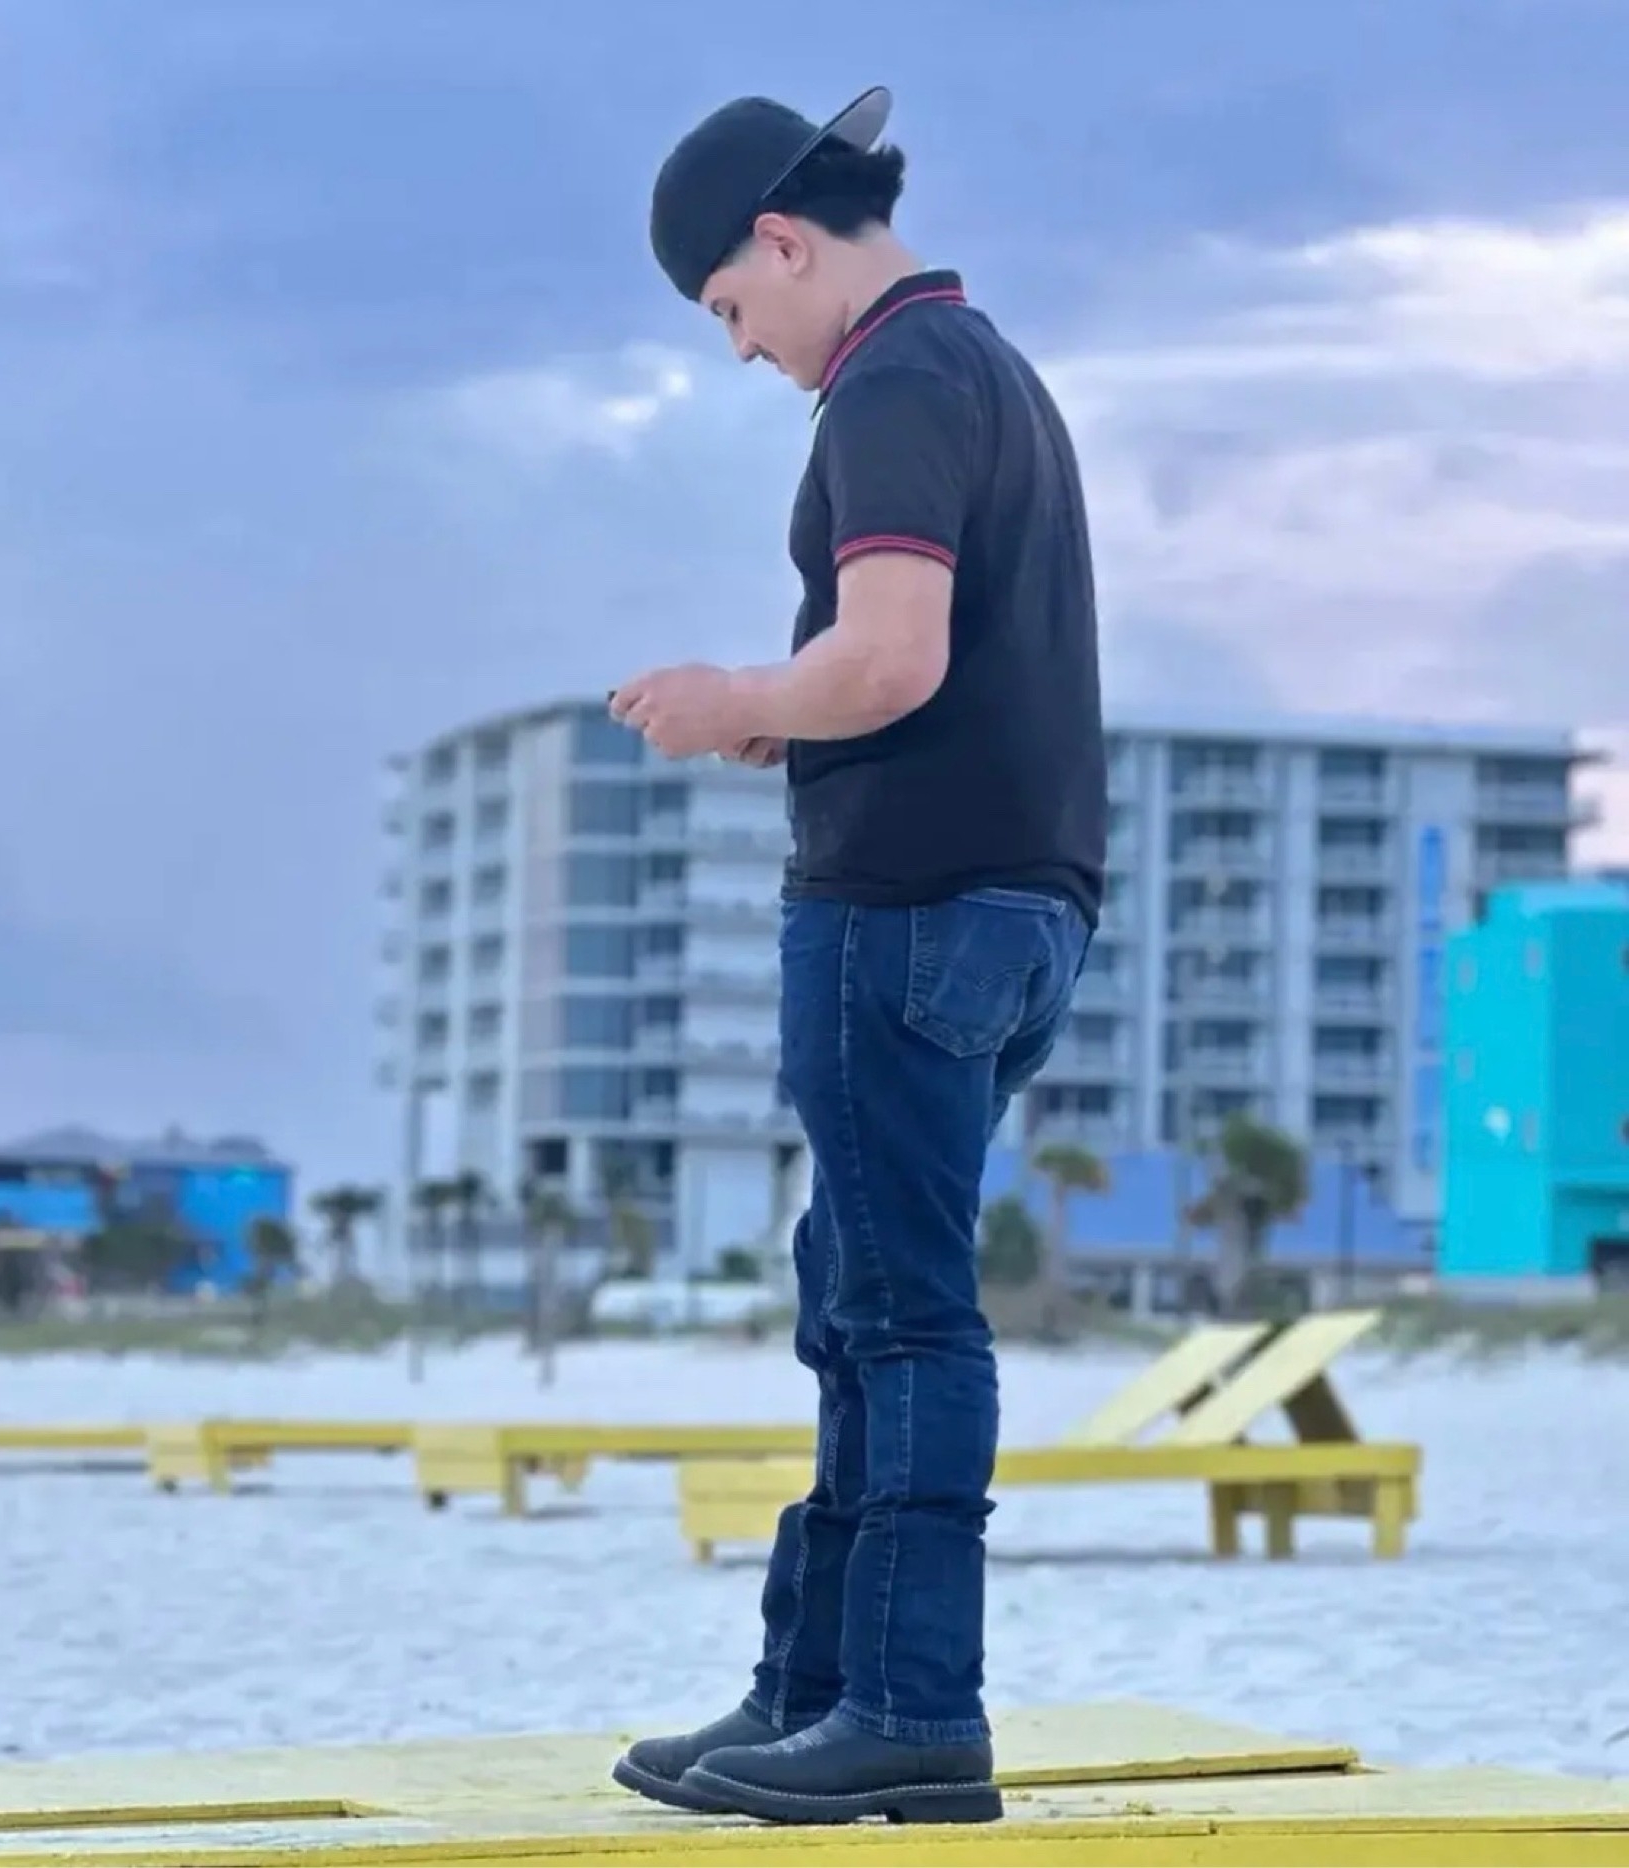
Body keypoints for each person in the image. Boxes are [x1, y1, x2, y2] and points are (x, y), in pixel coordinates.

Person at [606, 85, 1107, 1827]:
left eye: (730, 308)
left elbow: (890, 657)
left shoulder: (893, 381)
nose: (742, 349)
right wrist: (789, 718)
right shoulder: (989, 368)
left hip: (906, 909)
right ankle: (811, 1689)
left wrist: (734, 698)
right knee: (859, 1291)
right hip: (1019, 906)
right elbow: (918, 672)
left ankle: (904, 1708)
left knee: (893, 1317)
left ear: (783, 241)